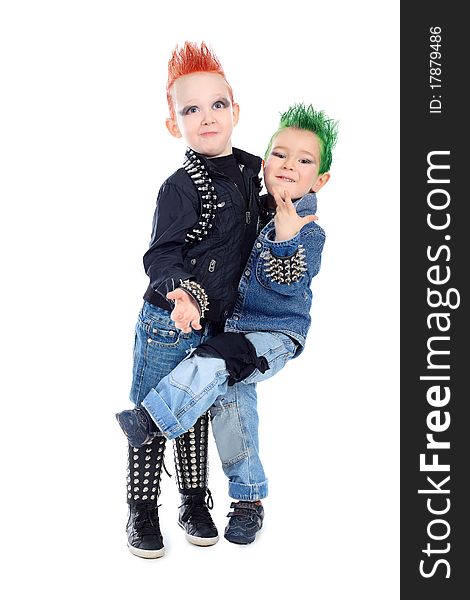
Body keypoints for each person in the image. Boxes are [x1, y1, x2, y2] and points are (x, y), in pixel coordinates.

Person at [117, 103, 339, 545]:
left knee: (214, 359)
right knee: (234, 411)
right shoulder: (256, 207)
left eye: (304, 160)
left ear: (321, 180)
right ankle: (248, 499)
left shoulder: (307, 228)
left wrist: (287, 235)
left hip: (274, 335)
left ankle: (151, 419)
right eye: (280, 154)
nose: (289, 165)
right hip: (234, 329)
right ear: (265, 161)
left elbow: (289, 276)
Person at [123, 41, 264, 559]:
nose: (206, 117)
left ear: (236, 110)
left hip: (215, 324)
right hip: (168, 320)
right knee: (156, 410)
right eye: (190, 109)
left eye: (217, 104)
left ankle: (193, 501)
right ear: (172, 125)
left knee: (196, 410)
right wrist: (179, 292)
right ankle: (141, 511)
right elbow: (161, 255)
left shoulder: (254, 174)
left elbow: (272, 223)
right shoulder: (180, 187)